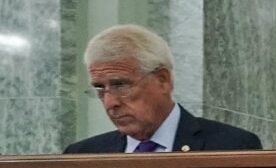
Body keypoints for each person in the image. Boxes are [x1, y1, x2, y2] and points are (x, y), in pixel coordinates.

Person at [65, 25, 262, 153]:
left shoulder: (232, 147)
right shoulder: (82, 156)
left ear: (162, 80)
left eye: (120, 85)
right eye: (100, 88)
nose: (110, 103)